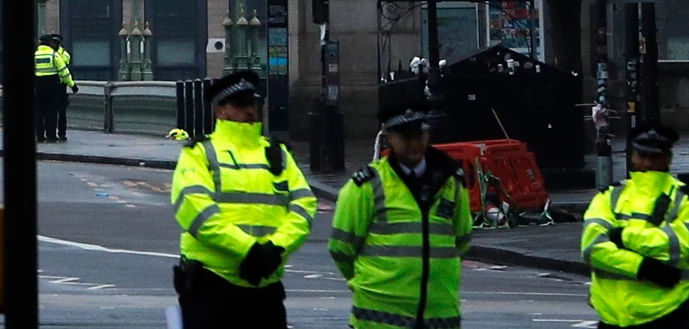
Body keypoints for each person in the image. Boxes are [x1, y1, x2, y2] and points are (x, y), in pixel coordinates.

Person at [172, 69, 319, 329]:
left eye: (253, 103)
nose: (250, 110)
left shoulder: (277, 153)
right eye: (241, 105)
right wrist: (251, 251)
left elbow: (304, 205)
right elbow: (197, 212)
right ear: (221, 111)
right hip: (211, 286)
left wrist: (275, 249)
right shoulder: (200, 153)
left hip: (266, 286)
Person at [331, 109, 472, 329]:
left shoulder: (452, 184)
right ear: (388, 138)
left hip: (439, 317)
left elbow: (462, 241)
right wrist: (365, 283)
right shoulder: (366, 186)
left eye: (419, 135)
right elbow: (341, 248)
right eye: (406, 137)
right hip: (379, 320)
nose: (414, 143)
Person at [583, 126, 689, 329]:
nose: (648, 163)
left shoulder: (687, 199)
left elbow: (679, 247)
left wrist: (623, 237)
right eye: (643, 155)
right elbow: (591, 248)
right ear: (633, 156)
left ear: (669, 159)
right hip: (612, 316)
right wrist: (644, 267)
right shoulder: (610, 195)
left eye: (655, 157)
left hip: (666, 313)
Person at [37, 34, 76, 142]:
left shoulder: (36, 55)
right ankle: (51, 136)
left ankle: (43, 136)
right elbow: (64, 71)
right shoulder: (55, 56)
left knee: (41, 112)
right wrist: (72, 85)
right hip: (54, 86)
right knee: (52, 112)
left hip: (41, 87)